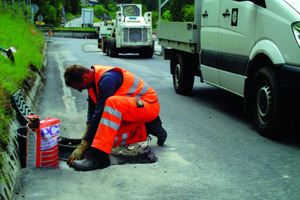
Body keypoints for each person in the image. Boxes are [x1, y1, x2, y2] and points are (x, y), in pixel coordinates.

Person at [64, 64, 167, 171]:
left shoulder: (107, 79)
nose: (80, 90)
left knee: (112, 104)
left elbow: (99, 114)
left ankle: (100, 159)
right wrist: (87, 136)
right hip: (135, 109)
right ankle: (149, 126)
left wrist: (84, 145)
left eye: (79, 87)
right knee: (103, 137)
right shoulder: (92, 82)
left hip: (148, 106)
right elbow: (92, 111)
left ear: (85, 77)